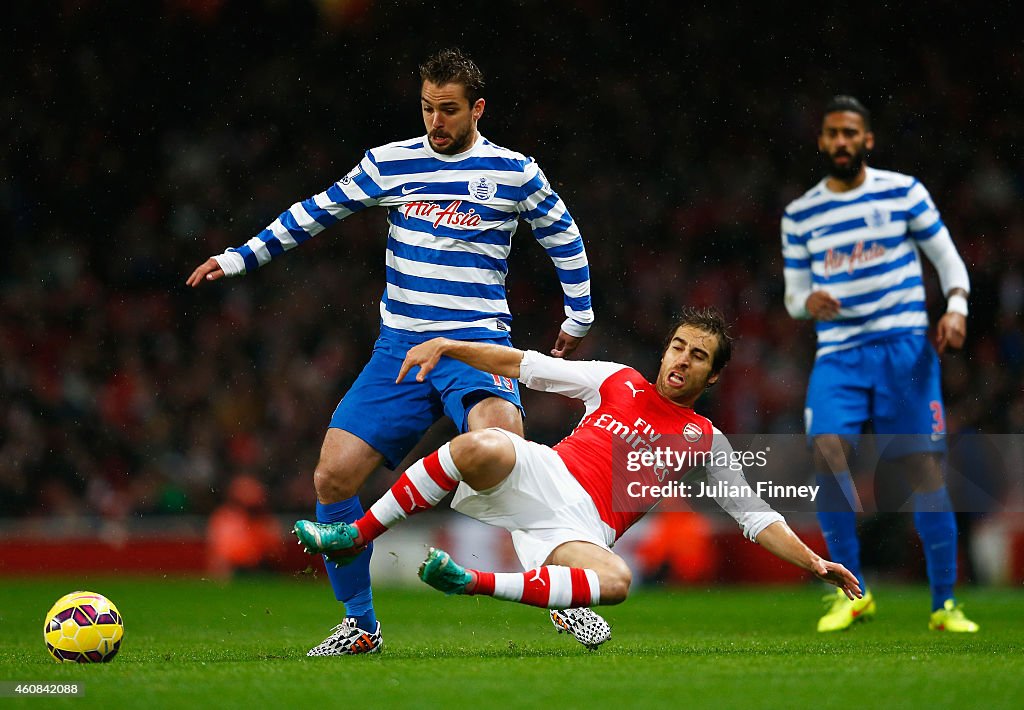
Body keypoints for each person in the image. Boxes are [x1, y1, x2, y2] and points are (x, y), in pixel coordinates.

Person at [186, 48, 594, 655]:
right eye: (428, 107)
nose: (436, 121)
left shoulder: (515, 173)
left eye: (449, 110)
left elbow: (563, 234)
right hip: (400, 350)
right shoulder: (390, 164)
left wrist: (579, 314)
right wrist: (239, 256)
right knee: (331, 475)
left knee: (506, 455)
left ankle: (562, 596)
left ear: (477, 109)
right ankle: (360, 626)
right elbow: (315, 211)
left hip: (477, 347)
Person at [294, 307, 862, 648]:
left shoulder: (704, 439)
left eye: (699, 357)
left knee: (617, 582)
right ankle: (360, 533)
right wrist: (450, 346)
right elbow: (525, 366)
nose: (682, 360)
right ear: (666, 351)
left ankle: (470, 582)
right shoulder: (617, 380)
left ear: (712, 376)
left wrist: (815, 562)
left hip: (582, 531)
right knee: (483, 444)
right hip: (550, 473)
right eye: (678, 347)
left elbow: (755, 515)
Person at [781, 95, 978, 632]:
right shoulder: (801, 214)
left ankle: (944, 606)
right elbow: (794, 295)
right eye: (832, 133)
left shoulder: (903, 192)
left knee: (921, 468)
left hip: (904, 349)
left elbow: (947, 258)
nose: (841, 142)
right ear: (821, 141)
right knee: (826, 452)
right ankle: (854, 594)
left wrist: (956, 307)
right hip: (840, 354)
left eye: (851, 133)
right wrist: (808, 303)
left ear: (867, 140)